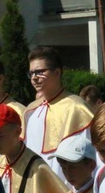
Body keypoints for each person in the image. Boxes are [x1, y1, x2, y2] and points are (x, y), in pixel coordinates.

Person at [24, 46, 94, 180]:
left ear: (57, 73)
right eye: (31, 73)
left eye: (39, 72)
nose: (34, 78)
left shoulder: (77, 108)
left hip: (69, 188)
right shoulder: (30, 111)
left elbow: (91, 155)